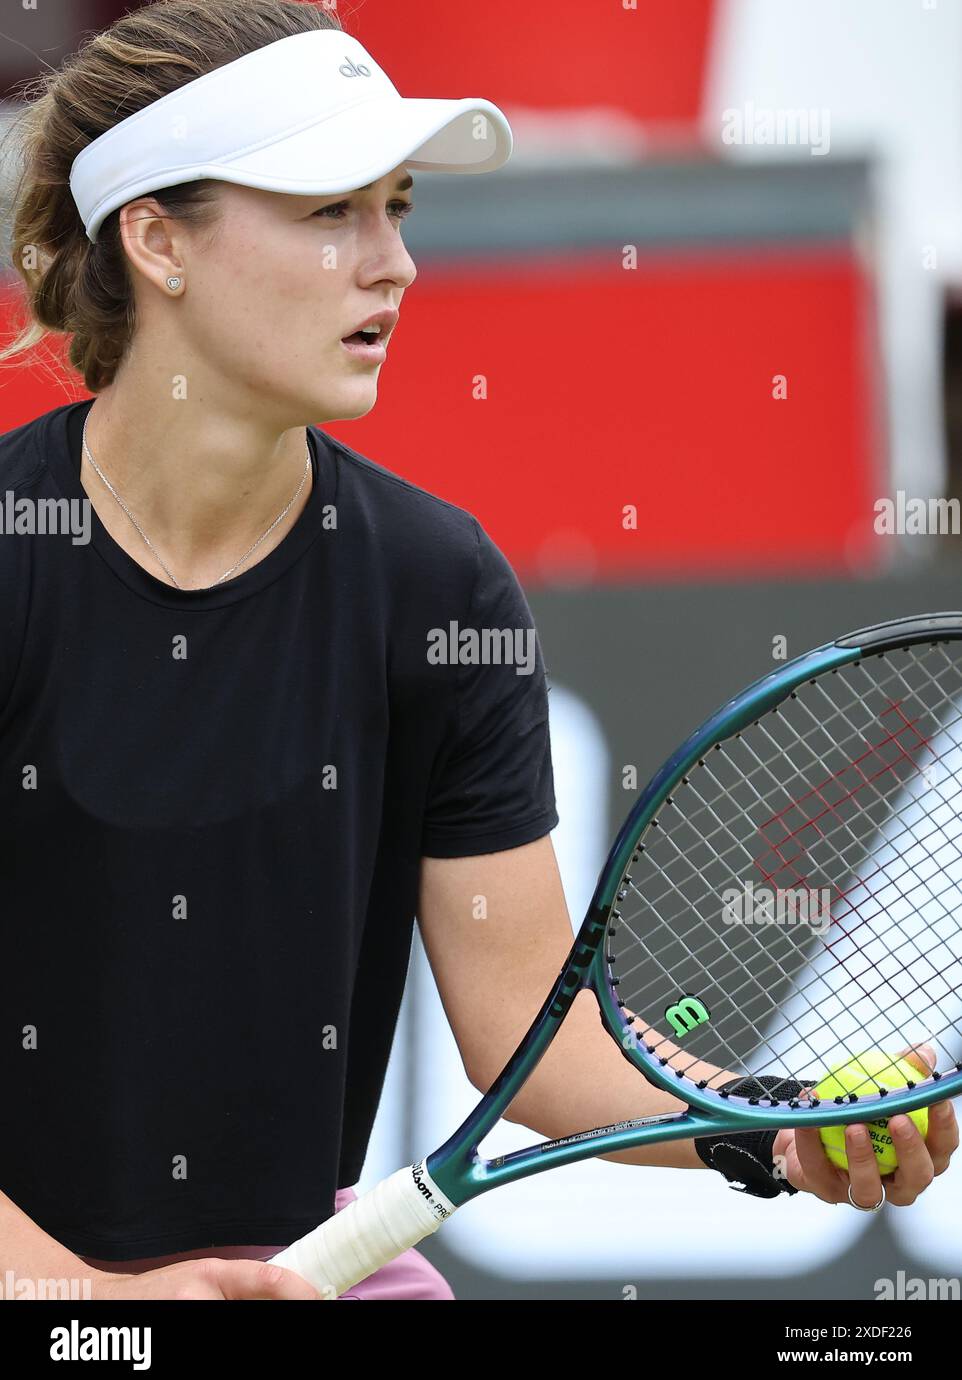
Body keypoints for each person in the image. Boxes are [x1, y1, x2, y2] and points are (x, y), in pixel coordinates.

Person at [0, 0, 955, 1302]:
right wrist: (86, 1301)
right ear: (158, 240)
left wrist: (777, 1125)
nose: (392, 263)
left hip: (303, 1267)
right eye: (332, 209)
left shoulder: (433, 584)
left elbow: (533, 1042)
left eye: (397, 208)